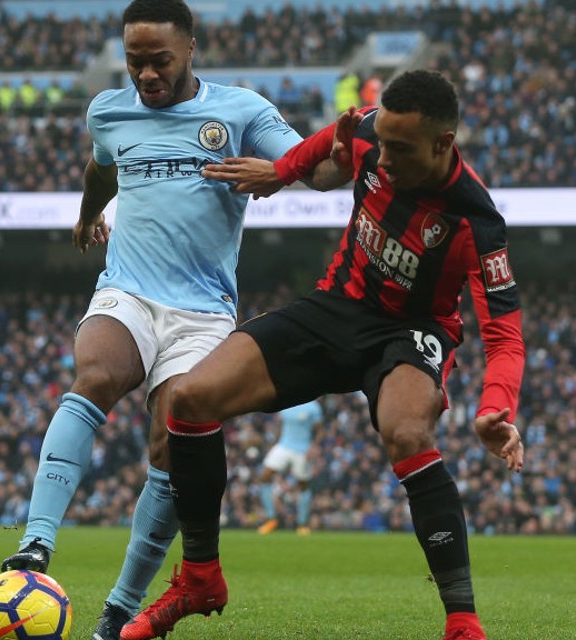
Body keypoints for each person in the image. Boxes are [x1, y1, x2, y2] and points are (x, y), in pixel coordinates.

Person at [119, 69, 526, 640]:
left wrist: (495, 406)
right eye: (382, 142)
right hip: (336, 307)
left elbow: (505, 336)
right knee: (189, 399)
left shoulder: (476, 222)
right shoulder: (371, 136)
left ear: (443, 145)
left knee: (407, 433)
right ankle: (199, 577)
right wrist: (283, 171)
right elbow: (337, 137)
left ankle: (462, 621)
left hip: (411, 331)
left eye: (400, 149)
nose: (382, 160)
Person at [0, 2, 302, 639]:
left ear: (190, 49)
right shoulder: (109, 110)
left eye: (159, 60)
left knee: (171, 443)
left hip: (202, 314)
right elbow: (102, 165)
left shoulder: (241, 111)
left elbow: (322, 167)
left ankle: (119, 609)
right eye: (135, 61)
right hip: (128, 291)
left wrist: (280, 171)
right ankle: (35, 546)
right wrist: (87, 214)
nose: (146, 74)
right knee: (96, 374)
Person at [255, 399, 323, 536]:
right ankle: (271, 519)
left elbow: (320, 430)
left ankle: (302, 524)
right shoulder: (286, 402)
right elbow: (282, 425)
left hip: (302, 449)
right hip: (284, 446)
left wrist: (314, 446)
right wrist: (275, 442)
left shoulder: (313, 407)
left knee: (303, 485)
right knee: (264, 477)